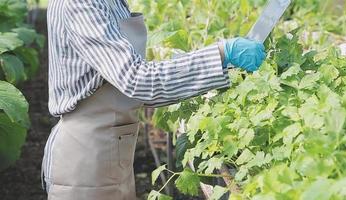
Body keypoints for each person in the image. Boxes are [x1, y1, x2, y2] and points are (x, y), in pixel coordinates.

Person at [41, 0, 266, 199]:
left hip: (112, 150)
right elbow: (137, 80)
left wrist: (221, 63)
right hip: (87, 159)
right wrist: (220, 54)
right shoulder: (80, 4)